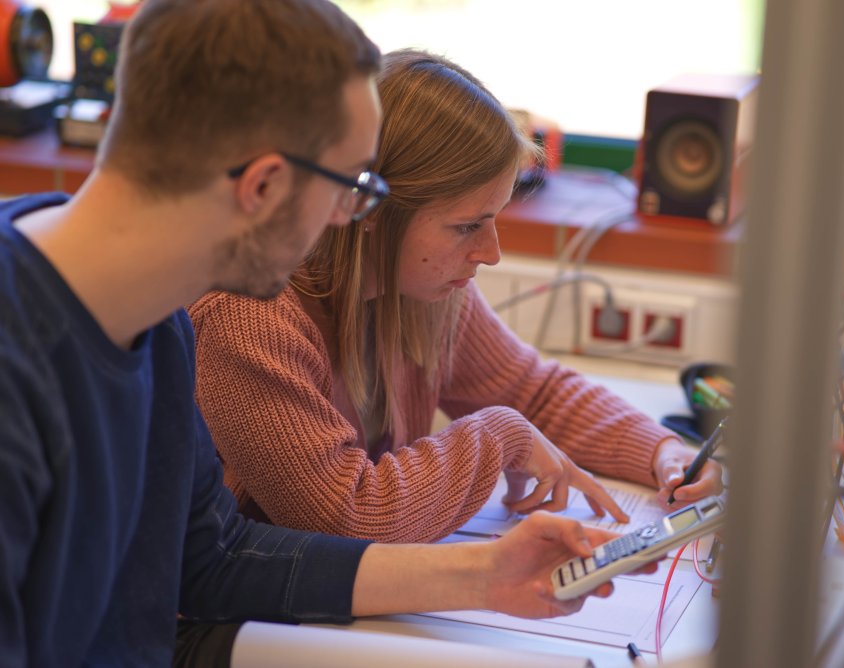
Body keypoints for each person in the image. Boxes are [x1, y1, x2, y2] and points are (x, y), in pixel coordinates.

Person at [0, 2, 636, 666]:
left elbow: (209, 559)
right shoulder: (21, 364)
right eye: (356, 187)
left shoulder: (154, 320)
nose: (351, 219)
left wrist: (487, 575)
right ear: (264, 184)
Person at [189, 49, 724, 544]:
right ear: (370, 209)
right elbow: (347, 514)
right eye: (467, 226)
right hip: (240, 626)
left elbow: (532, 392)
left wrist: (664, 451)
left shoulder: (424, 290)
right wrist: (498, 436)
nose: (490, 253)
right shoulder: (247, 317)